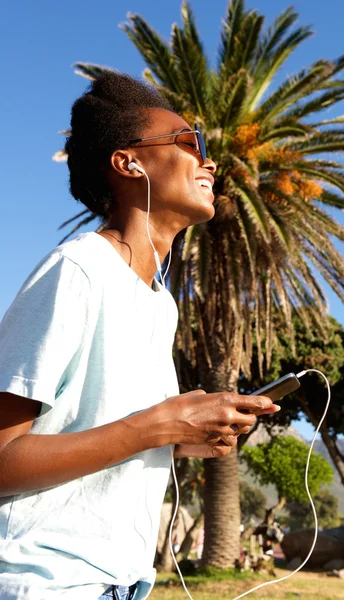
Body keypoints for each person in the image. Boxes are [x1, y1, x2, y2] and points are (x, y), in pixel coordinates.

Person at [0, 71, 280, 600]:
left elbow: (98, 437)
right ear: (128, 163)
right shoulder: (78, 269)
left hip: (125, 584)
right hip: (47, 584)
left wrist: (180, 440)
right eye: (188, 142)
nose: (209, 161)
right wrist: (156, 426)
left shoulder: (160, 304)